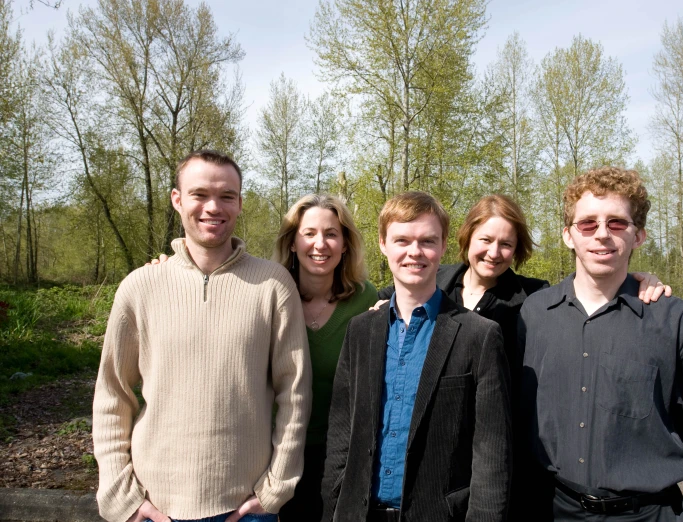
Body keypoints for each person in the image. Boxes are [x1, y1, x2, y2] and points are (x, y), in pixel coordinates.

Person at [518, 166, 683, 520]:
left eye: (616, 223)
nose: (601, 234)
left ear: (639, 235)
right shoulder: (533, 313)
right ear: (568, 235)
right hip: (549, 509)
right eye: (588, 224)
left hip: (647, 513)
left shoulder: (677, 322)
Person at [93, 150, 312, 522]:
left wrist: (276, 488)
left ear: (240, 203)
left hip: (247, 506)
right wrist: (122, 494)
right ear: (177, 200)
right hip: (154, 506)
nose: (214, 207)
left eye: (227, 196)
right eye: (199, 194)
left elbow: (295, 393)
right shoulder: (139, 287)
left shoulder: (273, 286)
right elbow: (112, 396)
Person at [321, 192, 512, 522]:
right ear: (383, 243)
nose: (414, 252)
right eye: (402, 240)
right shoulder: (360, 331)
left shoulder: (479, 336)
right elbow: (341, 436)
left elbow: (492, 454)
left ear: (443, 245)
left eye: (427, 240)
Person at [379, 193, 671, 368]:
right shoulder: (434, 280)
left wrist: (640, 281)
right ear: (467, 238)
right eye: (485, 239)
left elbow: (589, 291)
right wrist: (377, 306)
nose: (494, 253)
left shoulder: (534, 298)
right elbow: (385, 297)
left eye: (506, 244)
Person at [273, 195, 378, 521]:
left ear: (345, 244)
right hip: (274, 453)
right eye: (309, 233)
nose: (321, 244)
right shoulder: (267, 295)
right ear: (292, 243)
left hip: (340, 456)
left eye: (332, 234)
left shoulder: (366, 299)